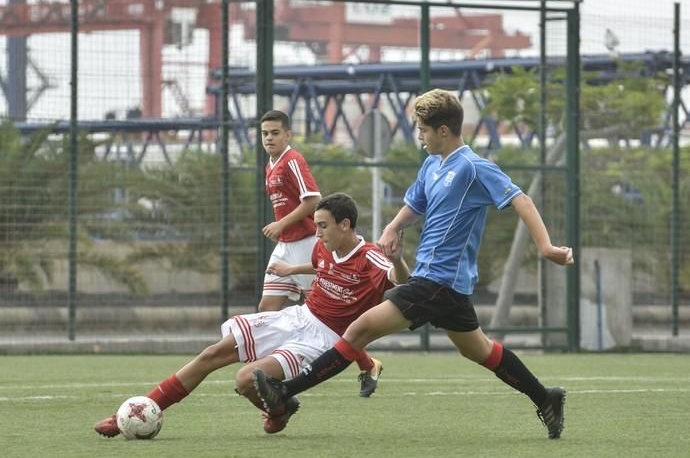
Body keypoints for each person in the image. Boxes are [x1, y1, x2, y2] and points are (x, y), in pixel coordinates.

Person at [253, 89, 575, 440]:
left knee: (358, 330)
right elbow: (414, 205)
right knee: (478, 349)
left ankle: (284, 391)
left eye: (422, 129)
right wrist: (392, 227)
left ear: (443, 130)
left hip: (439, 281)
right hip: (438, 281)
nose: (419, 136)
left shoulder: (472, 167)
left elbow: (521, 199)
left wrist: (546, 247)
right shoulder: (431, 165)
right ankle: (546, 397)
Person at [94, 193, 409, 437]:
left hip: (324, 340)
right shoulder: (322, 247)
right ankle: (141, 410)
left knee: (246, 380)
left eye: (323, 225)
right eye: (316, 225)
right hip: (298, 317)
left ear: (346, 225)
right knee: (212, 352)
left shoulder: (370, 257)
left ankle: (279, 409)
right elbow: (324, 268)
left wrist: (398, 260)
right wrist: (292, 270)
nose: (317, 231)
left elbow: (401, 281)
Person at [258, 110, 384, 396]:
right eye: (265, 133)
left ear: (288, 135)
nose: (269, 138)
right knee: (267, 307)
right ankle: (272, 367)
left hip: (306, 242)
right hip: (286, 246)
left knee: (326, 317)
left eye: (275, 132)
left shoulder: (292, 161)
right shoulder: (271, 164)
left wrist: (281, 223)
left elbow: (314, 200)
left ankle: (368, 364)